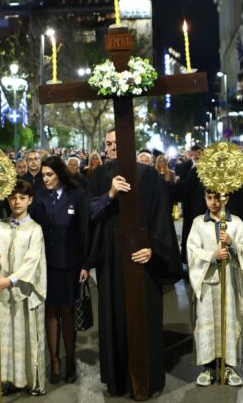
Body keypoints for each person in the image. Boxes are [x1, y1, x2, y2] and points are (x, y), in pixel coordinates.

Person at [85, 129, 182, 398]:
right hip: (112, 260)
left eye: (117, 142)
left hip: (143, 259)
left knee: (144, 318)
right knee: (114, 316)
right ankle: (117, 380)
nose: (112, 147)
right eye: (108, 144)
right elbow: (89, 213)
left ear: (130, 144)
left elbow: (162, 216)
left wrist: (153, 249)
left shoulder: (148, 175)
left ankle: (145, 380)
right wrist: (110, 194)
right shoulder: (100, 176)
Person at [29, 156, 89, 385]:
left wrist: (85, 264)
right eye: (43, 175)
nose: (45, 179)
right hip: (46, 265)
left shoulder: (77, 195)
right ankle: (54, 361)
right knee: (50, 313)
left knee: (67, 313)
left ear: (60, 174)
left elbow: (84, 230)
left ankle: (71, 361)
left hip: (70, 264)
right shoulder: (40, 196)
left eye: (49, 175)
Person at [0, 180, 47, 397]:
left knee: (27, 335)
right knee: (5, 335)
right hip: (3, 296)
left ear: (30, 200)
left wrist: (10, 280)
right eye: (13, 198)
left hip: (24, 293)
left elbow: (32, 262)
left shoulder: (35, 230)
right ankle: (6, 378)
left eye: (22, 198)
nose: (17, 202)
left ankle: (31, 379)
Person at [186, 189, 243, 387]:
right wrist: (212, 256)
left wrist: (231, 245)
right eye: (209, 198)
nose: (213, 202)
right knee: (206, 321)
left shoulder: (236, 223)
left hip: (229, 280)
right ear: (204, 198)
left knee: (229, 320)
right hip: (207, 281)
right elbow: (192, 251)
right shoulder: (198, 223)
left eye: (217, 198)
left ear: (226, 198)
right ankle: (208, 366)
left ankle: (228, 366)